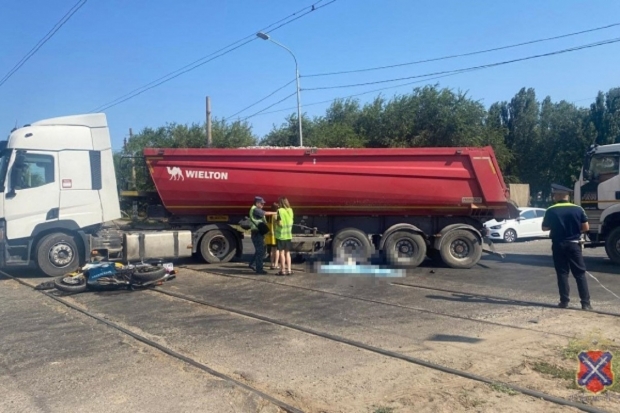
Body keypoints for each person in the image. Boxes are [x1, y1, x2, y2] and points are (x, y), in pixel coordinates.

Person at [541, 184, 593, 310]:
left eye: (555, 194)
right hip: (574, 244)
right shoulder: (578, 209)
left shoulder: (551, 210)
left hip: (558, 244)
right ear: (567, 196)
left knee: (562, 273)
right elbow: (586, 227)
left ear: (559, 195)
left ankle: (564, 301)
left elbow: (544, 228)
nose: (554, 196)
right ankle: (585, 303)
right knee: (580, 273)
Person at [249, 196, 276, 274]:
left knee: (260, 250)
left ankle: (253, 264)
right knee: (261, 251)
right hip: (256, 233)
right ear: (257, 203)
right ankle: (259, 269)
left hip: (257, 233)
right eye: (262, 204)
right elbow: (265, 213)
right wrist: (276, 212)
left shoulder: (255, 209)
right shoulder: (255, 209)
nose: (263, 205)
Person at [275, 196, 294, 276]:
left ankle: (282, 270)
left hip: (281, 235)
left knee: (282, 253)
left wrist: (275, 222)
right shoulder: (290, 210)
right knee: (288, 253)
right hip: (288, 235)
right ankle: (289, 270)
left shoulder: (280, 211)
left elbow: (279, 223)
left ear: (280, 203)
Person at [265, 202, 280, 270]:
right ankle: (276, 264)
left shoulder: (269, 216)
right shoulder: (276, 215)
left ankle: (272, 264)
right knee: (277, 250)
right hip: (276, 235)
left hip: (270, 236)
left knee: (271, 250)